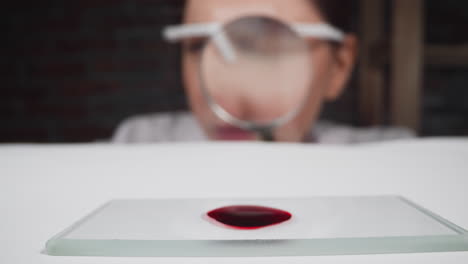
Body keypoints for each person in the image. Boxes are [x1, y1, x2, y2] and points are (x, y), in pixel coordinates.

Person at [113, 0, 414, 144]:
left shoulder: (394, 162)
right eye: (198, 46)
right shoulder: (138, 145)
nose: (226, 93)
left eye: (272, 48)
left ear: (339, 66)